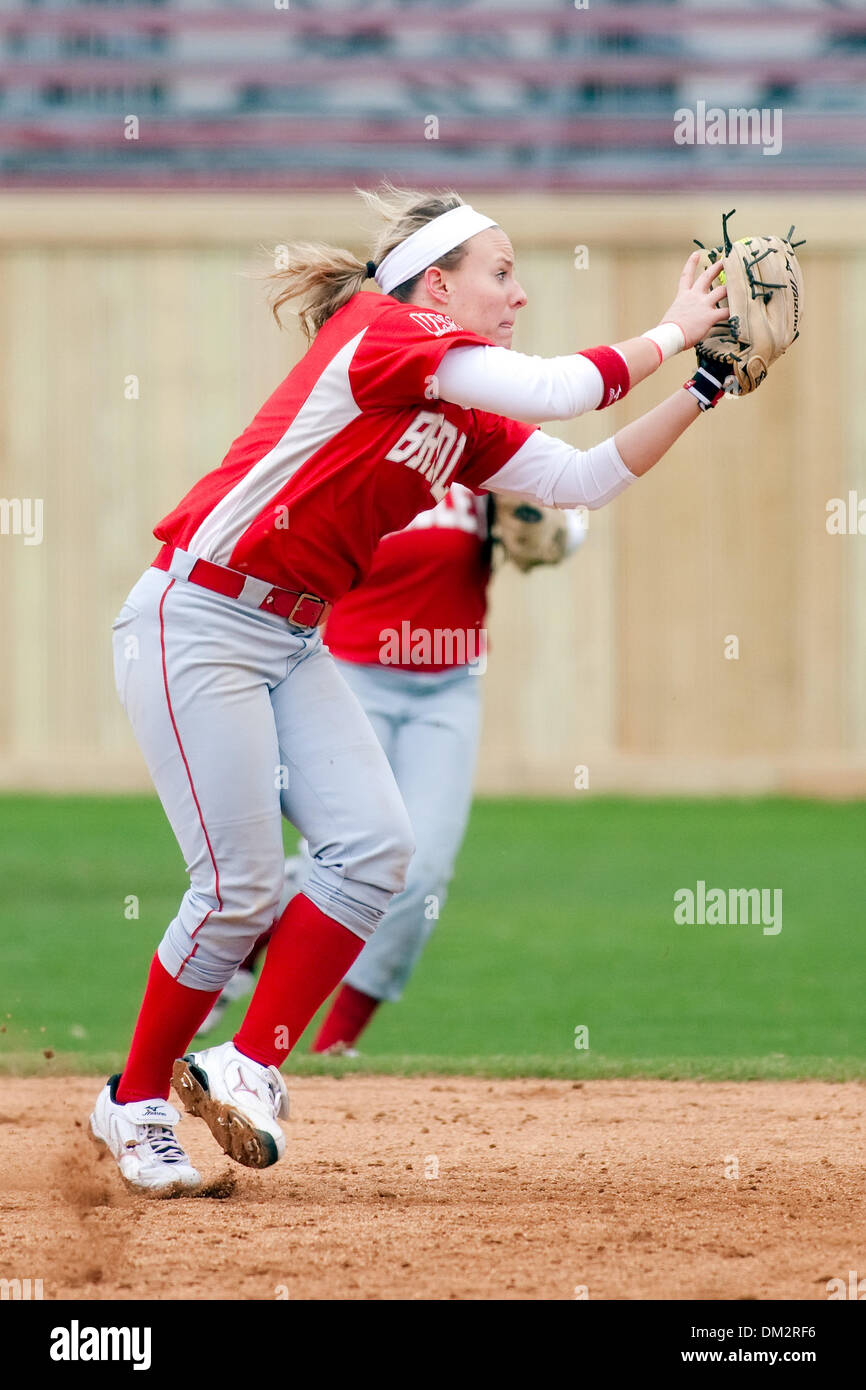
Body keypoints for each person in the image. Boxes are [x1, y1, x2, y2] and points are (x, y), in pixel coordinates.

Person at [89, 181, 731, 1195]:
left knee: (376, 849)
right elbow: (564, 389)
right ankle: (129, 1103)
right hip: (199, 617)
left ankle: (244, 1064)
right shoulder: (382, 331)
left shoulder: (456, 401)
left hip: (290, 635)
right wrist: (670, 328)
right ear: (435, 283)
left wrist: (699, 389)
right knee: (237, 885)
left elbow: (579, 479)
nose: (518, 294)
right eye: (501, 273)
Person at [193, 488, 588, 1049]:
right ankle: (241, 950)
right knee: (339, 857)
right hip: (351, 676)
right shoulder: (363, 462)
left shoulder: (475, 451)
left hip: (449, 688)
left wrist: (551, 525)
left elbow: (567, 521)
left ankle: (336, 1045)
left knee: (422, 873)